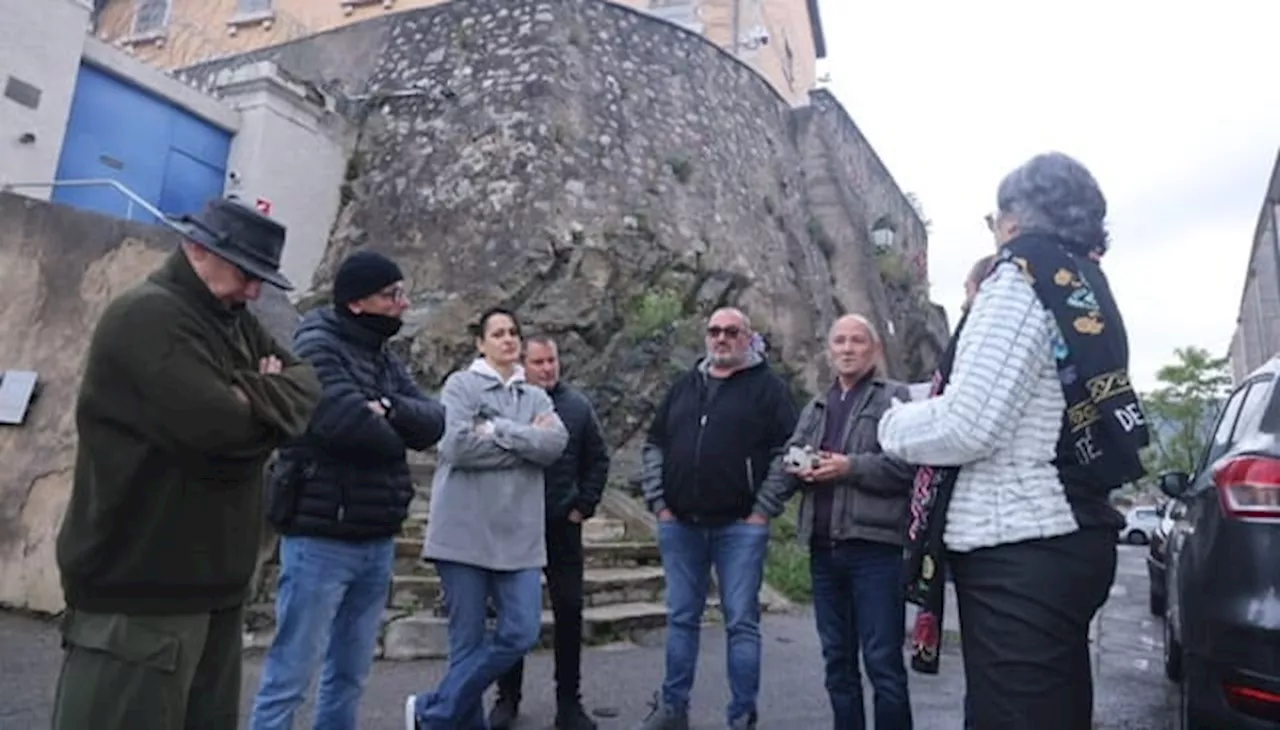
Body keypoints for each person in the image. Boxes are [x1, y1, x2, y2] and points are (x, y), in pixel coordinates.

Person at [879, 152, 1150, 729]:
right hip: (1064, 535)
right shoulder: (1080, 284)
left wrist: (892, 422)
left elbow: (966, 425)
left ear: (1010, 221)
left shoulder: (1018, 277)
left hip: (1020, 544)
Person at [52, 197, 322, 730]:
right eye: (247, 273)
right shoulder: (147, 316)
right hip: (140, 591)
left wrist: (254, 396)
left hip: (214, 587)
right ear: (198, 249)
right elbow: (215, 427)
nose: (255, 291)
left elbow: (308, 386)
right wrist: (266, 395)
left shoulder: (233, 320)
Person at [249, 251, 446, 730]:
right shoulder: (317, 345)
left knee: (350, 674)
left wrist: (388, 409)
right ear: (357, 303)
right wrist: (392, 421)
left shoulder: (382, 355)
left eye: (401, 293)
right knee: (291, 674)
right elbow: (346, 424)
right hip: (320, 538)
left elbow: (434, 420)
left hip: (374, 536)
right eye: (390, 295)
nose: (402, 303)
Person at [405, 308, 570, 730]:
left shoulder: (535, 394)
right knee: (466, 644)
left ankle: (432, 711)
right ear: (480, 343)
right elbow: (457, 447)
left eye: (514, 332)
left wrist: (496, 429)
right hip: (463, 534)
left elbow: (554, 445)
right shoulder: (460, 385)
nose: (508, 339)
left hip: (519, 539)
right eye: (498, 333)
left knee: (521, 631)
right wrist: (524, 440)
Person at [636, 307, 799, 730]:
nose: (721, 338)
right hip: (680, 524)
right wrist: (659, 503)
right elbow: (654, 444)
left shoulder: (768, 389)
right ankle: (673, 710)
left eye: (731, 331)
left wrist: (763, 510)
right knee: (681, 618)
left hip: (739, 528)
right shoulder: (685, 385)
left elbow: (790, 453)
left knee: (741, 622)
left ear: (748, 337)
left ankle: (742, 714)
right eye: (714, 331)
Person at [768, 314, 915, 730]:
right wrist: (785, 480)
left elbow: (909, 469)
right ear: (829, 350)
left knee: (883, 662)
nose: (847, 349)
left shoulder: (896, 399)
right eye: (839, 341)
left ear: (875, 350)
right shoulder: (817, 405)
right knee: (837, 662)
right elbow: (790, 456)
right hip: (823, 550)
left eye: (857, 341)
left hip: (876, 551)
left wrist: (850, 466)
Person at [489, 335, 611, 730]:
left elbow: (598, 458)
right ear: (524, 364)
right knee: (512, 616)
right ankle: (507, 698)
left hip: (562, 526)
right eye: (538, 362)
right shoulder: (510, 403)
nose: (547, 368)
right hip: (515, 526)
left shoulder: (576, 406)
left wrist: (584, 505)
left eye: (552, 361)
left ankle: (569, 703)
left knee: (570, 612)